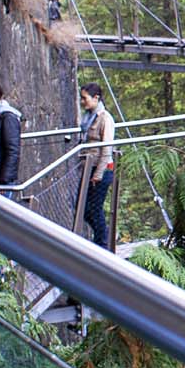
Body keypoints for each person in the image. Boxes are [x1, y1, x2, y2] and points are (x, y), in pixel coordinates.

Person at [76, 82, 115, 247]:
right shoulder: (89, 117)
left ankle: (102, 243)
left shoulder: (105, 118)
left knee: (94, 208)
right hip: (89, 169)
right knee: (84, 209)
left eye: (85, 98)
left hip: (102, 170)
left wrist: (98, 174)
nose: (82, 102)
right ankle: (101, 238)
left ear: (96, 98)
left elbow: (106, 148)